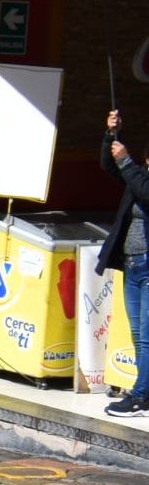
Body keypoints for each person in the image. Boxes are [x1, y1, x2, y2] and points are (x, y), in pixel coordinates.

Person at [100, 109, 149, 417]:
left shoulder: (139, 177)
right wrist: (110, 135)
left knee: (147, 336)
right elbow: (110, 166)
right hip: (132, 266)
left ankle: (141, 395)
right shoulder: (137, 175)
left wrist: (127, 161)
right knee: (137, 333)